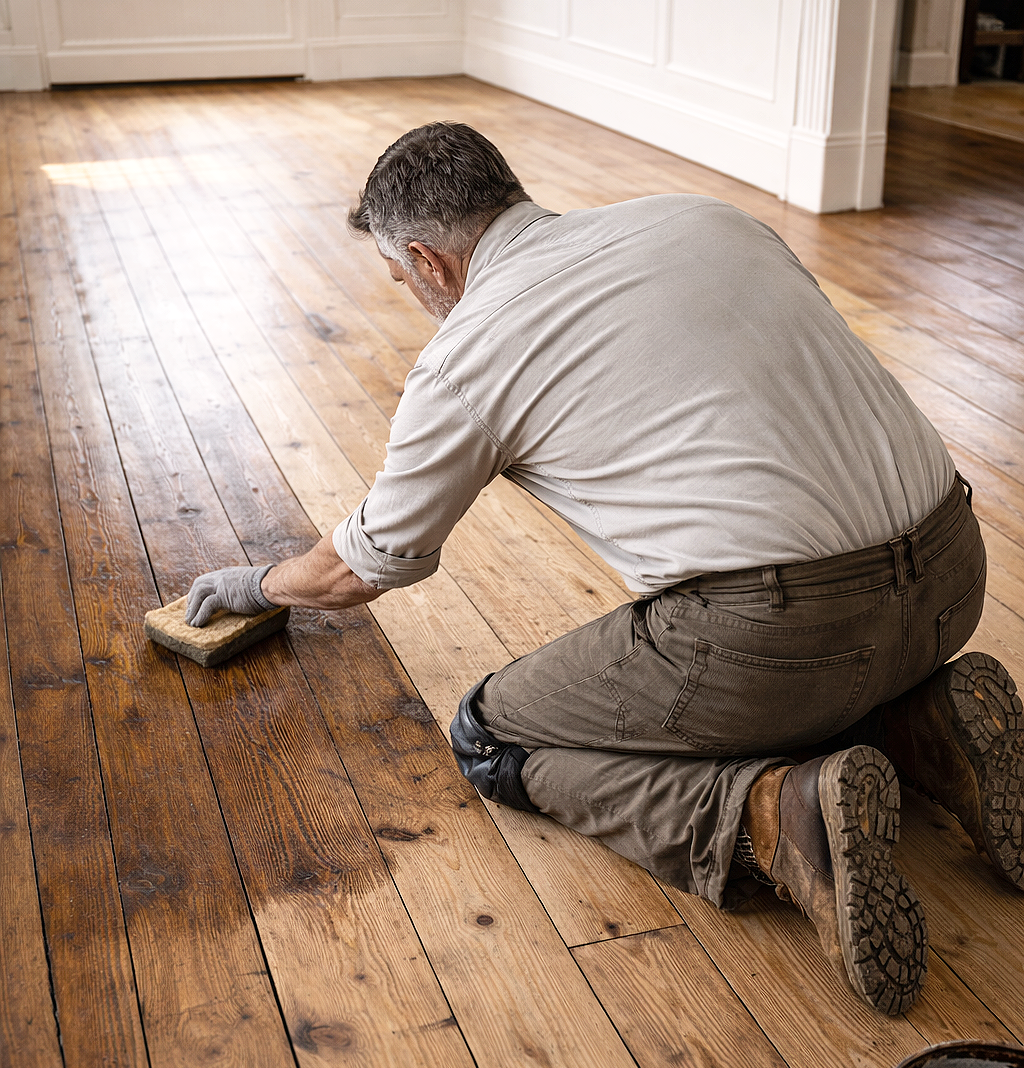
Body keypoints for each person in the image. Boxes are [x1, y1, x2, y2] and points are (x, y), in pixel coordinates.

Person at [185, 122, 1024, 1017]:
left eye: (401, 282)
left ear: (429, 262)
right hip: (952, 572)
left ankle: (778, 818)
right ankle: (923, 725)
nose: (414, 298)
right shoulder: (710, 219)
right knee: (815, 652)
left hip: (786, 637)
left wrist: (260, 584)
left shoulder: (467, 355)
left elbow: (366, 566)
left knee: (489, 735)